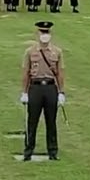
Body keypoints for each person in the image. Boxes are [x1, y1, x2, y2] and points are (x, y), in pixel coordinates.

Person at [20, 21, 66, 161]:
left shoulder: (57, 52)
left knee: (51, 121)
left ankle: (52, 151)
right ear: (37, 34)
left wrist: (61, 92)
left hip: (50, 88)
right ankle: (28, 151)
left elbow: (60, 73)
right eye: (42, 33)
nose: (44, 36)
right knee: (32, 122)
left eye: (47, 33)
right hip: (35, 87)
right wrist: (24, 92)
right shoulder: (30, 51)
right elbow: (25, 73)